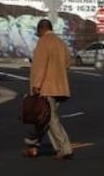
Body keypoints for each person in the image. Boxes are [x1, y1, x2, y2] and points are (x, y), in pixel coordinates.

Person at [26, 19, 74, 160]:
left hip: (47, 88)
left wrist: (36, 85)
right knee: (44, 119)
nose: (38, 35)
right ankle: (33, 144)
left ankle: (65, 148)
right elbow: (67, 63)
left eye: (38, 32)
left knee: (51, 119)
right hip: (60, 87)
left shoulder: (43, 42)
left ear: (41, 29)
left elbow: (40, 66)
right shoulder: (61, 43)